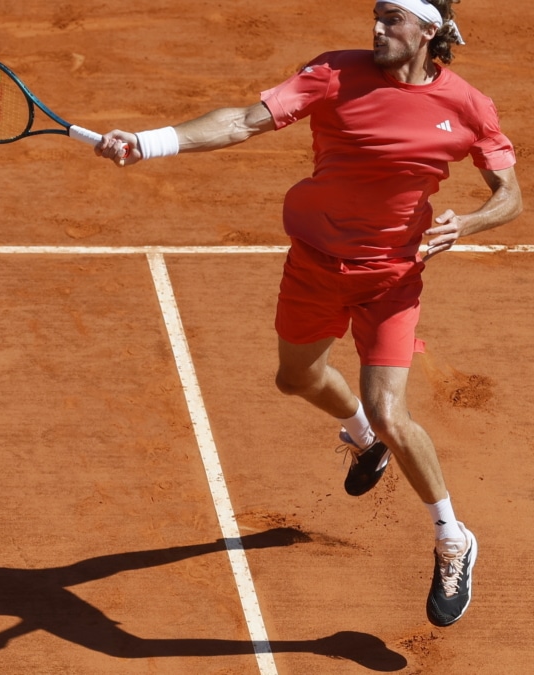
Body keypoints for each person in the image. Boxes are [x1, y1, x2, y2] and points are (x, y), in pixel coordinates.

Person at [95, 0, 521, 627]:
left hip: (392, 278)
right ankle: (362, 438)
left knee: (391, 408)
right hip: (316, 264)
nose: (377, 28)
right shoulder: (333, 73)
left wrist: (473, 222)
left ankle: (452, 537)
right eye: (376, 15)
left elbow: (509, 194)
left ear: (429, 31)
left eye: (392, 19)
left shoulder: (467, 105)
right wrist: (151, 143)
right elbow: (243, 121)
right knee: (295, 378)